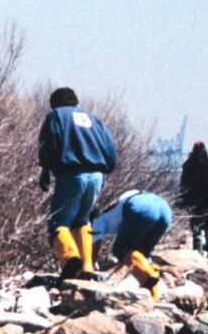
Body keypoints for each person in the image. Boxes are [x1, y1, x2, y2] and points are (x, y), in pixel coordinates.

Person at [38, 87, 117, 280]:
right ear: (75, 102)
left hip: (72, 174)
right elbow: (110, 151)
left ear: (54, 103)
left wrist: (46, 169)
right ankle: (88, 268)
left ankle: (71, 258)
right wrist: (104, 172)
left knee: (59, 222)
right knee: (82, 220)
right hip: (97, 175)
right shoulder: (93, 119)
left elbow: (50, 143)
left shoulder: (55, 116)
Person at [91, 190, 172, 301]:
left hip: (142, 206)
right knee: (142, 253)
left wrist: (90, 267)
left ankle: (147, 281)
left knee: (119, 250)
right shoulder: (113, 208)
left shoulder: (97, 220)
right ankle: (153, 297)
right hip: (164, 207)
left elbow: (94, 245)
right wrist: (111, 272)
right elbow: (129, 256)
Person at [178, 141, 208, 256]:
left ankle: (197, 251)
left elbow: (183, 182)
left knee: (196, 224)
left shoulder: (187, 164)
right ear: (205, 150)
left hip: (192, 197)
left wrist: (183, 197)